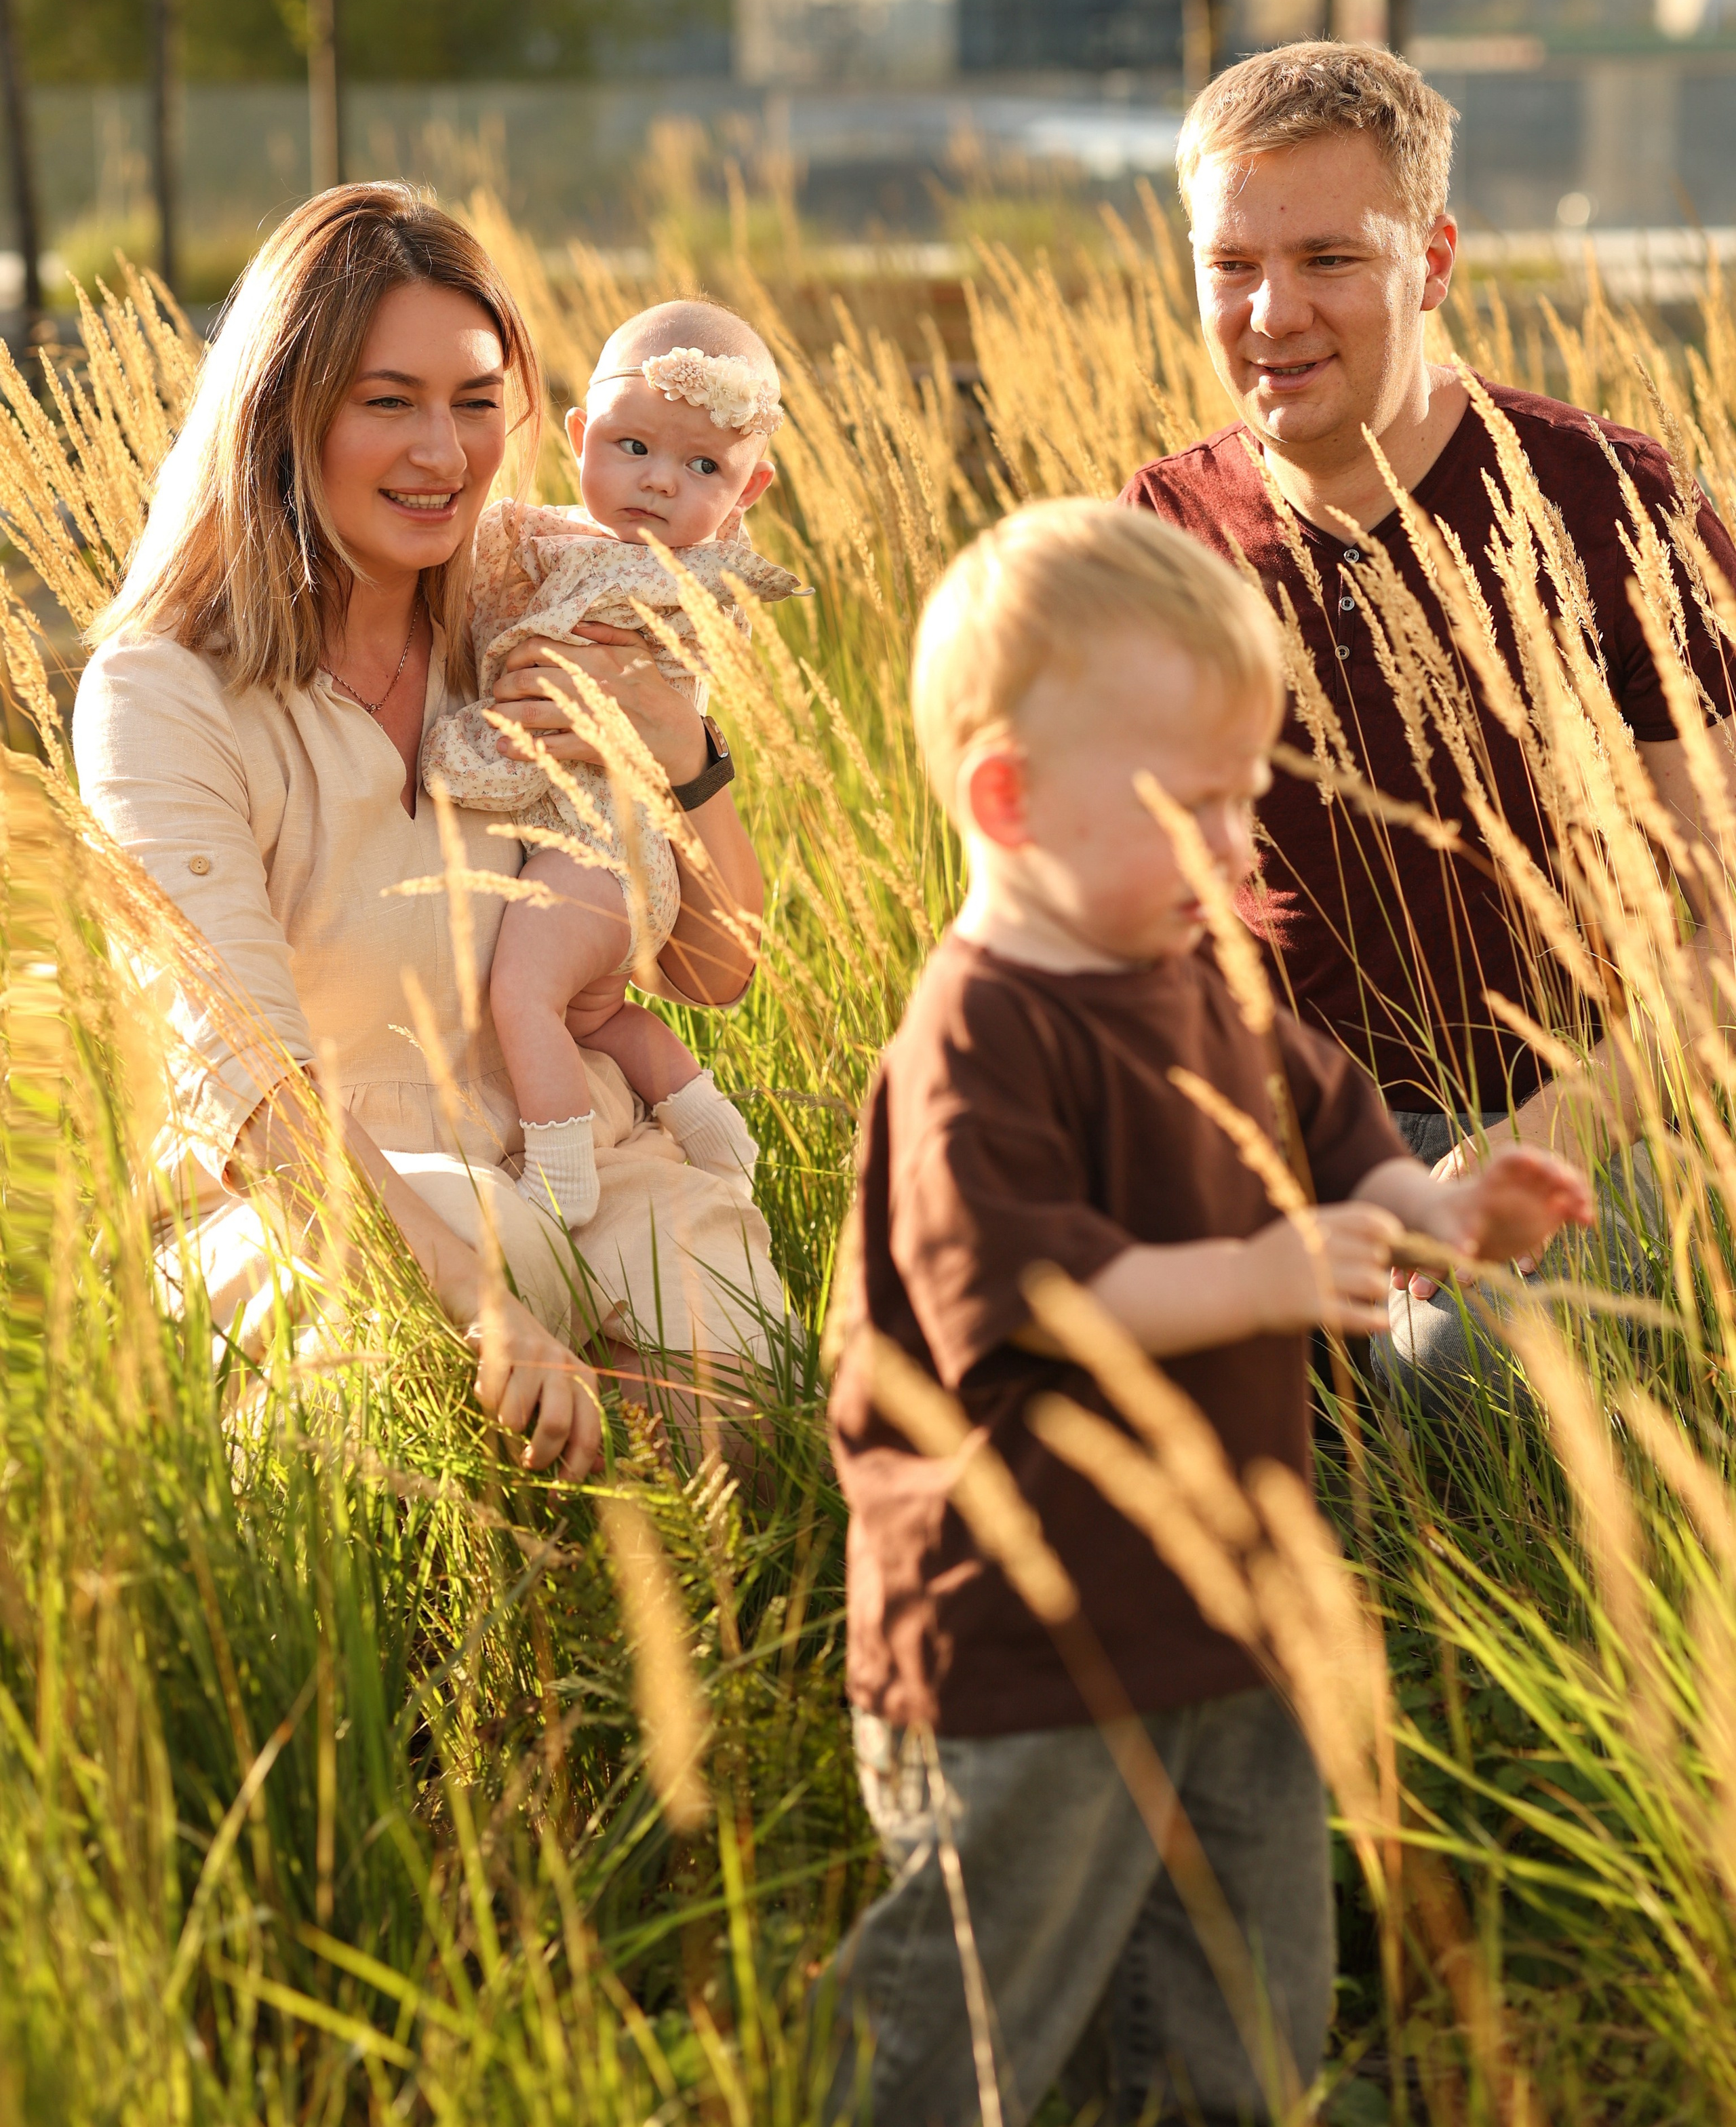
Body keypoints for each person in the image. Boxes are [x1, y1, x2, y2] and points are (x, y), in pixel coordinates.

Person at [825, 500, 1590, 2126]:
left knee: (1242, 1997)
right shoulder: (977, 1036)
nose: (1241, 850)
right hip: (1021, 1645)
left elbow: (1339, 1148)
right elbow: (1024, 1292)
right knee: (977, 2016)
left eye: (1250, 797)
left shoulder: (1209, 978)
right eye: (1192, 809)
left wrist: (1443, 1218)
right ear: (1005, 799)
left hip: (1229, 1610)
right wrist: (1259, 1274)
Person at [73, 184, 785, 1477]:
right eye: (387, 401)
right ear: (283, 413)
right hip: (320, 1196)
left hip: (586, 1154)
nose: (443, 455)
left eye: (472, 402)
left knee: (734, 1426)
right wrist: (487, 1308)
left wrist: (685, 756)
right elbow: (253, 1087)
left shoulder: (536, 597)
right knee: (425, 1445)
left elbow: (716, 974)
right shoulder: (162, 693)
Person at [1119, 40, 1736, 1399]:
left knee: (1435, 1378)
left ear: (1433, 262)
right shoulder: (1156, 537)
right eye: (1230, 265)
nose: (1269, 314)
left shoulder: (1605, 508)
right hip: (1267, 1148)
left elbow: (1725, 934)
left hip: (1564, 1128)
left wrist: (1522, 1153)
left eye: (1327, 259)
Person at [420, 300, 800, 1230]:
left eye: (704, 466)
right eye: (633, 448)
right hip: (617, 859)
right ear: (582, 436)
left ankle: (558, 1167)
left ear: (748, 495)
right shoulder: (586, 542)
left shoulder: (667, 576)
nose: (661, 485)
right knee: (592, 1015)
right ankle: (706, 1116)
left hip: (597, 841)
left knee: (526, 991)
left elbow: (536, 675)